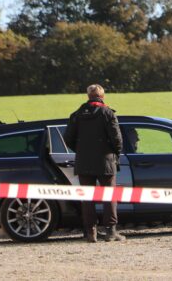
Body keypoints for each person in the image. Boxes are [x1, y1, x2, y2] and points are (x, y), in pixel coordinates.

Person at [64, 84, 125, 243]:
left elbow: (68, 138)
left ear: (88, 96)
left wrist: (81, 150)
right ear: (102, 96)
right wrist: (115, 154)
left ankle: (91, 233)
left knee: (87, 198)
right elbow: (117, 139)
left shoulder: (77, 114)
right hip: (105, 161)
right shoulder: (107, 113)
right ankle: (111, 232)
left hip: (83, 162)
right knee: (109, 197)